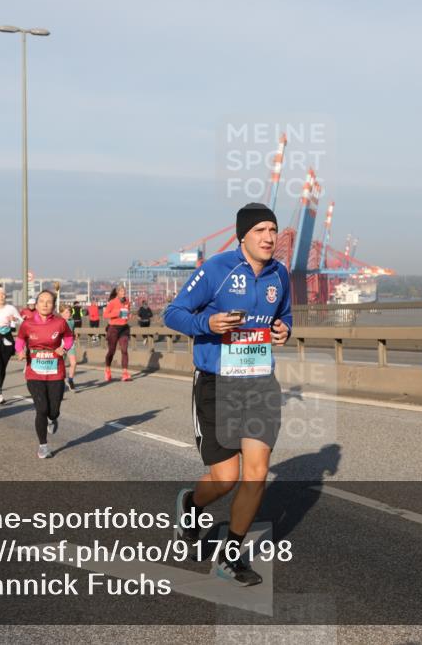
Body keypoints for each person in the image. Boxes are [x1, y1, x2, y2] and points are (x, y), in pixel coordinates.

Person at [164, 202, 292, 587]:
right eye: (260, 231)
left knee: (256, 473)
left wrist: (284, 330)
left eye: (273, 230)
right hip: (217, 383)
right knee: (225, 478)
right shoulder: (217, 270)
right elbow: (173, 313)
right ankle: (191, 504)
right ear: (242, 236)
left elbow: (284, 315)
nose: (269, 237)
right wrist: (209, 322)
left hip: (259, 382)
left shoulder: (279, 274)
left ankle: (230, 556)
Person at [14, 289, 73, 459]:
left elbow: (69, 338)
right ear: (37, 304)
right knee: (41, 409)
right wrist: (20, 350)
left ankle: (53, 419)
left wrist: (64, 348)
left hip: (55, 372)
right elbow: (20, 339)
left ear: (53, 305)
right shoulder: (27, 324)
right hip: (34, 373)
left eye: (49, 301)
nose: (45, 304)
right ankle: (43, 446)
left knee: (53, 410)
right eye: (41, 301)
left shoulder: (60, 322)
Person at [103, 285, 132, 382]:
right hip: (113, 328)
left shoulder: (127, 301)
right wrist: (116, 313)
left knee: (124, 350)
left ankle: (125, 373)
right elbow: (105, 315)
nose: (124, 293)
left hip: (124, 328)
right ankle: (107, 369)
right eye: (122, 291)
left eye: (124, 291)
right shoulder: (112, 302)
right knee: (112, 351)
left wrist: (129, 315)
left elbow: (127, 312)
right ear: (117, 292)